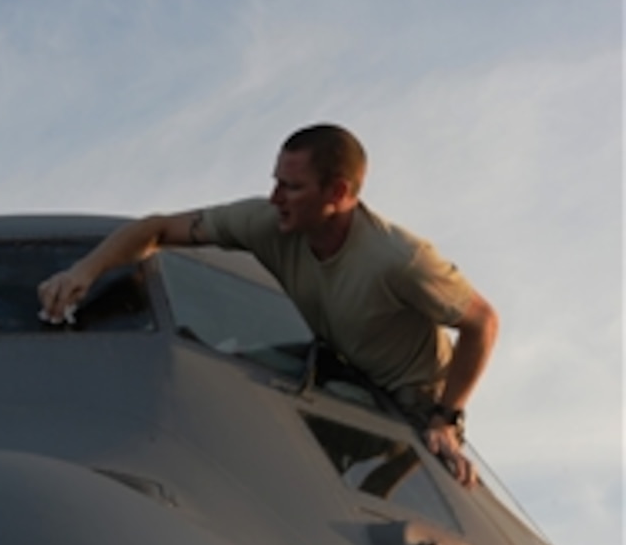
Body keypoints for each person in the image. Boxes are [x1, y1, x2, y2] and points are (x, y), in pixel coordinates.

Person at [37, 123, 498, 487]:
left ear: (338, 194)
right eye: (276, 182)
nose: (276, 198)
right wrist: (83, 271)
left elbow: (482, 322)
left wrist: (447, 418)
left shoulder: (399, 260)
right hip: (342, 377)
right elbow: (155, 230)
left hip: (411, 410)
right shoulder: (267, 222)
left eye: (292, 188)